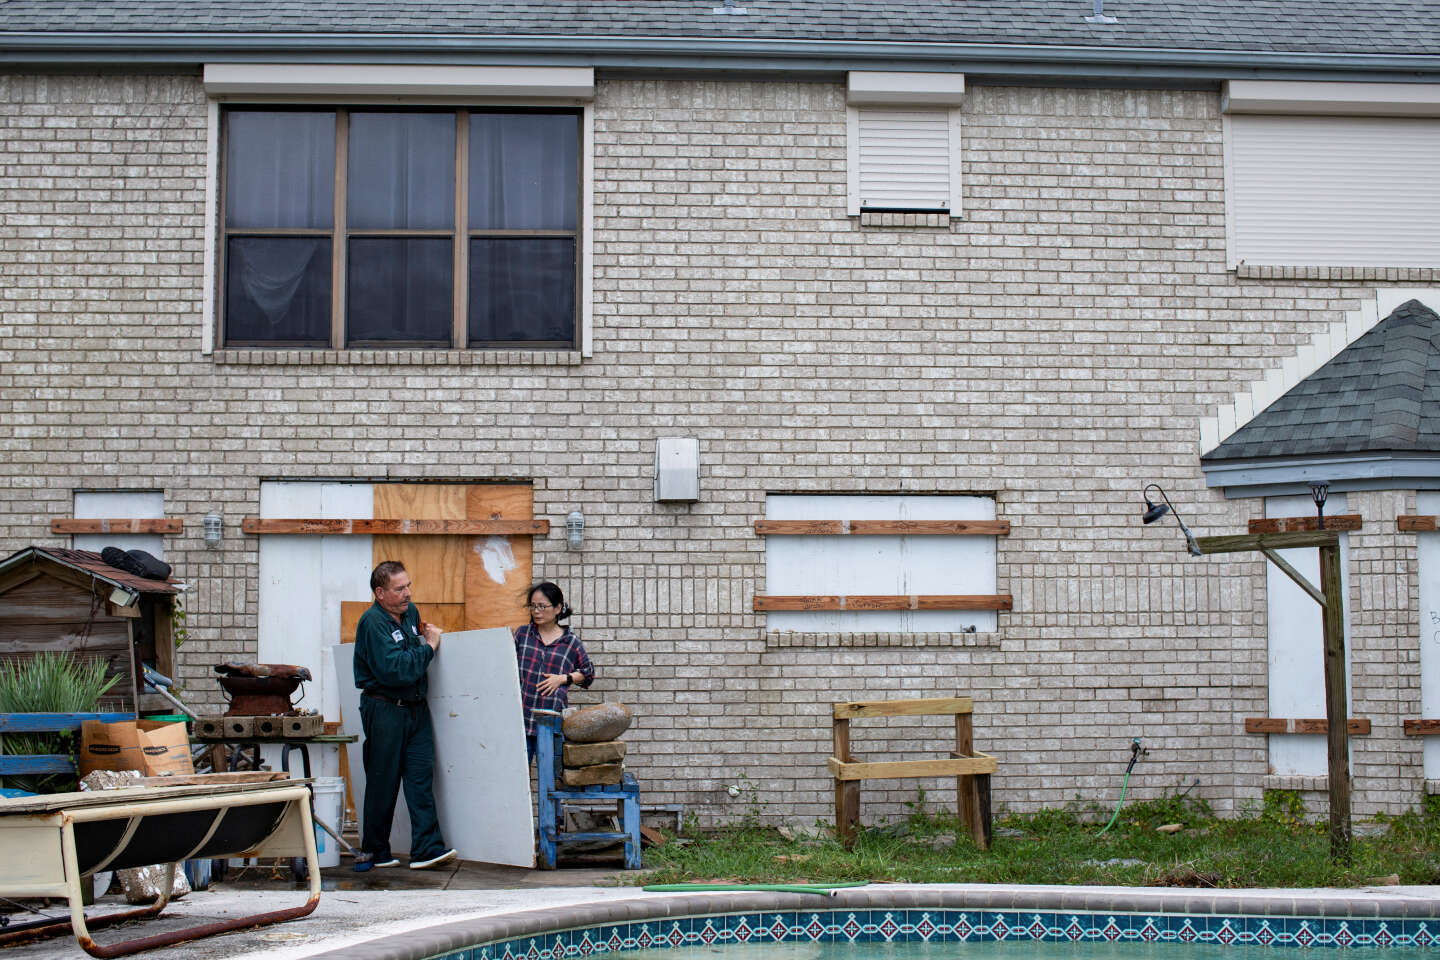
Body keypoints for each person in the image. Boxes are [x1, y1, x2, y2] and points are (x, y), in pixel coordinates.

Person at [352, 560, 457, 872]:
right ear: (380, 593)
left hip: (415, 709)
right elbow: (395, 670)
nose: (407, 593)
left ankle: (427, 849)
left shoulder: (410, 614)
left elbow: (409, 655)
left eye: (408, 585)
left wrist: (421, 641)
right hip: (384, 708)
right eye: (399, 589)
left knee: (421, 779)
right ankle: (375, 851)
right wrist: (430, 647)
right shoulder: (372, 623)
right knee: (383, 781)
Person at [513, 581, 594, 764]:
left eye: (542, 606)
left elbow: (588, 674)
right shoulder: (522, 635)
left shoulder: (570, 642)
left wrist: (563, 679)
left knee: (550, 782)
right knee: (516, 779)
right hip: (520, 722)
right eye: (533, 606)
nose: (536, 611)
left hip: (551, 725)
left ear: (558, 608)